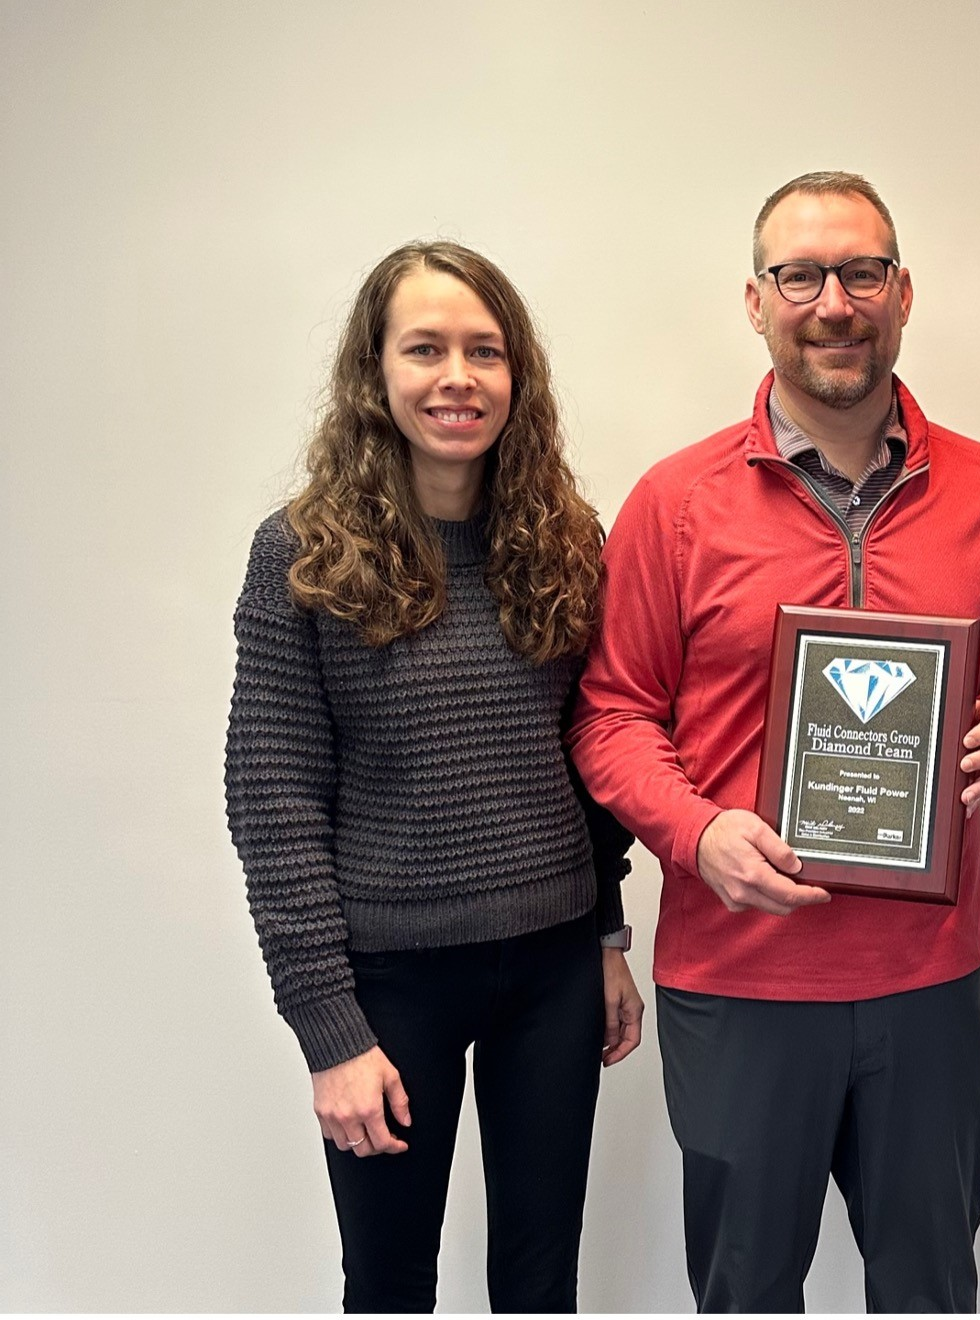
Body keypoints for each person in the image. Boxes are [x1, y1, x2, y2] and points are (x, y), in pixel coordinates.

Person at [569, 172, 980, 1313]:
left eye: (861, 272)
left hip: (928, 980)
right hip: (737, 976)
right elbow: (611, 715)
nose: (833, 302)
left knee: (931, 1287)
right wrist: (699, 835)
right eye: (800, 275)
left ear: (904, 292)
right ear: (756, 301)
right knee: (748, 1293)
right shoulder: (675, 502)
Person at [224, 241, 642, 1313]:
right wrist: (330, 1030)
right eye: (426, 349)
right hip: (388, 986)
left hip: (552, 971)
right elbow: (273, 806)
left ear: (518, 376)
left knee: (542, 1281)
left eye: (484, 351)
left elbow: (588, 763)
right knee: (392, 1281)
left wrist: (604, 940)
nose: (458, 376)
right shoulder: (300, 556)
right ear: (377, 371)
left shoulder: (564, 542)